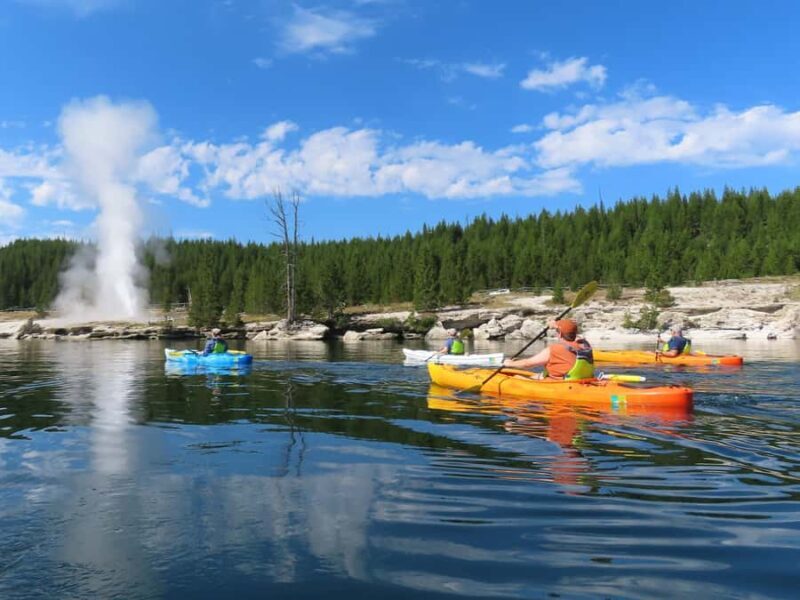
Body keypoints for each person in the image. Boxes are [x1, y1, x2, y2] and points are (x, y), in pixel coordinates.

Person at [502, 319, 594, 380]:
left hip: (560, 385)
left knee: (516, 377)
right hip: (578, 380)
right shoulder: (583, 345)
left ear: (560, 334)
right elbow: (570, 330)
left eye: (556, 331)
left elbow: (527, 364)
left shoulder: (553, 350)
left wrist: (509, 363)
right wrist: (556, 325)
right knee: (538, 376)